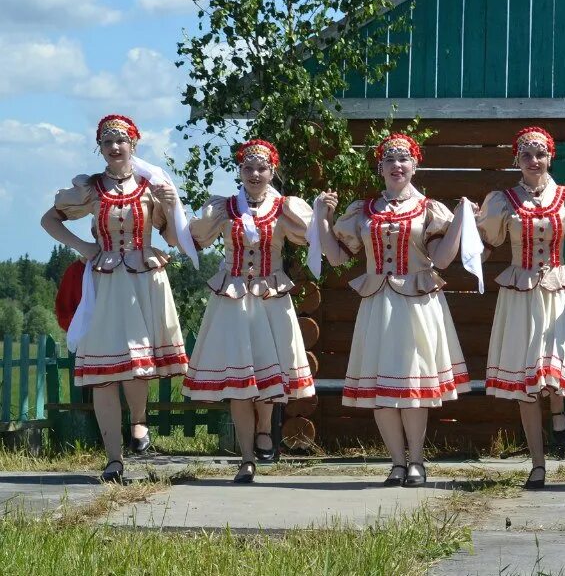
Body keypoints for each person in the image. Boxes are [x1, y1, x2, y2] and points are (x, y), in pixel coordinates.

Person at [39, 115, 188, 483]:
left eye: (121, 141)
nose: (115, 147)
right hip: (104, 283)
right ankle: (113, 459)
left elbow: (173, 239)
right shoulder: (91, 189)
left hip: (142, 280)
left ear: (134, 145)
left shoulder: (151, 187)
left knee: (137, 363)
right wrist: (84, 246)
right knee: (104, 374)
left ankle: (138, 423)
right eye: (107, 142)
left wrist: (170, 206)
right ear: (100, 149)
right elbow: (49, 219)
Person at [316, 133, 469, 487]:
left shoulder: (429, 209)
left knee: (413, 386)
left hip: (417, 304)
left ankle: (416, 461)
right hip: (378, 305)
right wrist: (324, 219)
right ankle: (396, 463)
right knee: (381, 387)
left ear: (415, 165)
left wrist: (460, 218)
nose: (397, 165)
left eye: (404, 159)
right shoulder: (363, 210)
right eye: (389, 160)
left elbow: (443, 259)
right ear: (380, 167)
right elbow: (338, 257)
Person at [477, 126, 565, 490]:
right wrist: (467, 237)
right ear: (516, 160)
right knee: (526, 380)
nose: (534, 161)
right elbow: (487, 248)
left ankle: (557, 410)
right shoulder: (503, 201)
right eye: (526, 155)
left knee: (551, 367)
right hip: (519, 292)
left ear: (551, 157)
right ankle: (537, 463)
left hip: (555, 290)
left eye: (540, 154)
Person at [182, 139, 317, 483]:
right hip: (233, 296)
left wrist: (322, 212)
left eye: (262, 168)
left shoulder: (284, 208)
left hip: (271, 297)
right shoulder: (224, 208)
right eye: (248, 168)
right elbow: (193, 236)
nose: (255, 174)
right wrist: (171, 209)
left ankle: (264, 430)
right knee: (240, 379)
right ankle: (245, 458)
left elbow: (311, 237)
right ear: (240, 171)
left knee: (267, 368)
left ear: (272, 171)